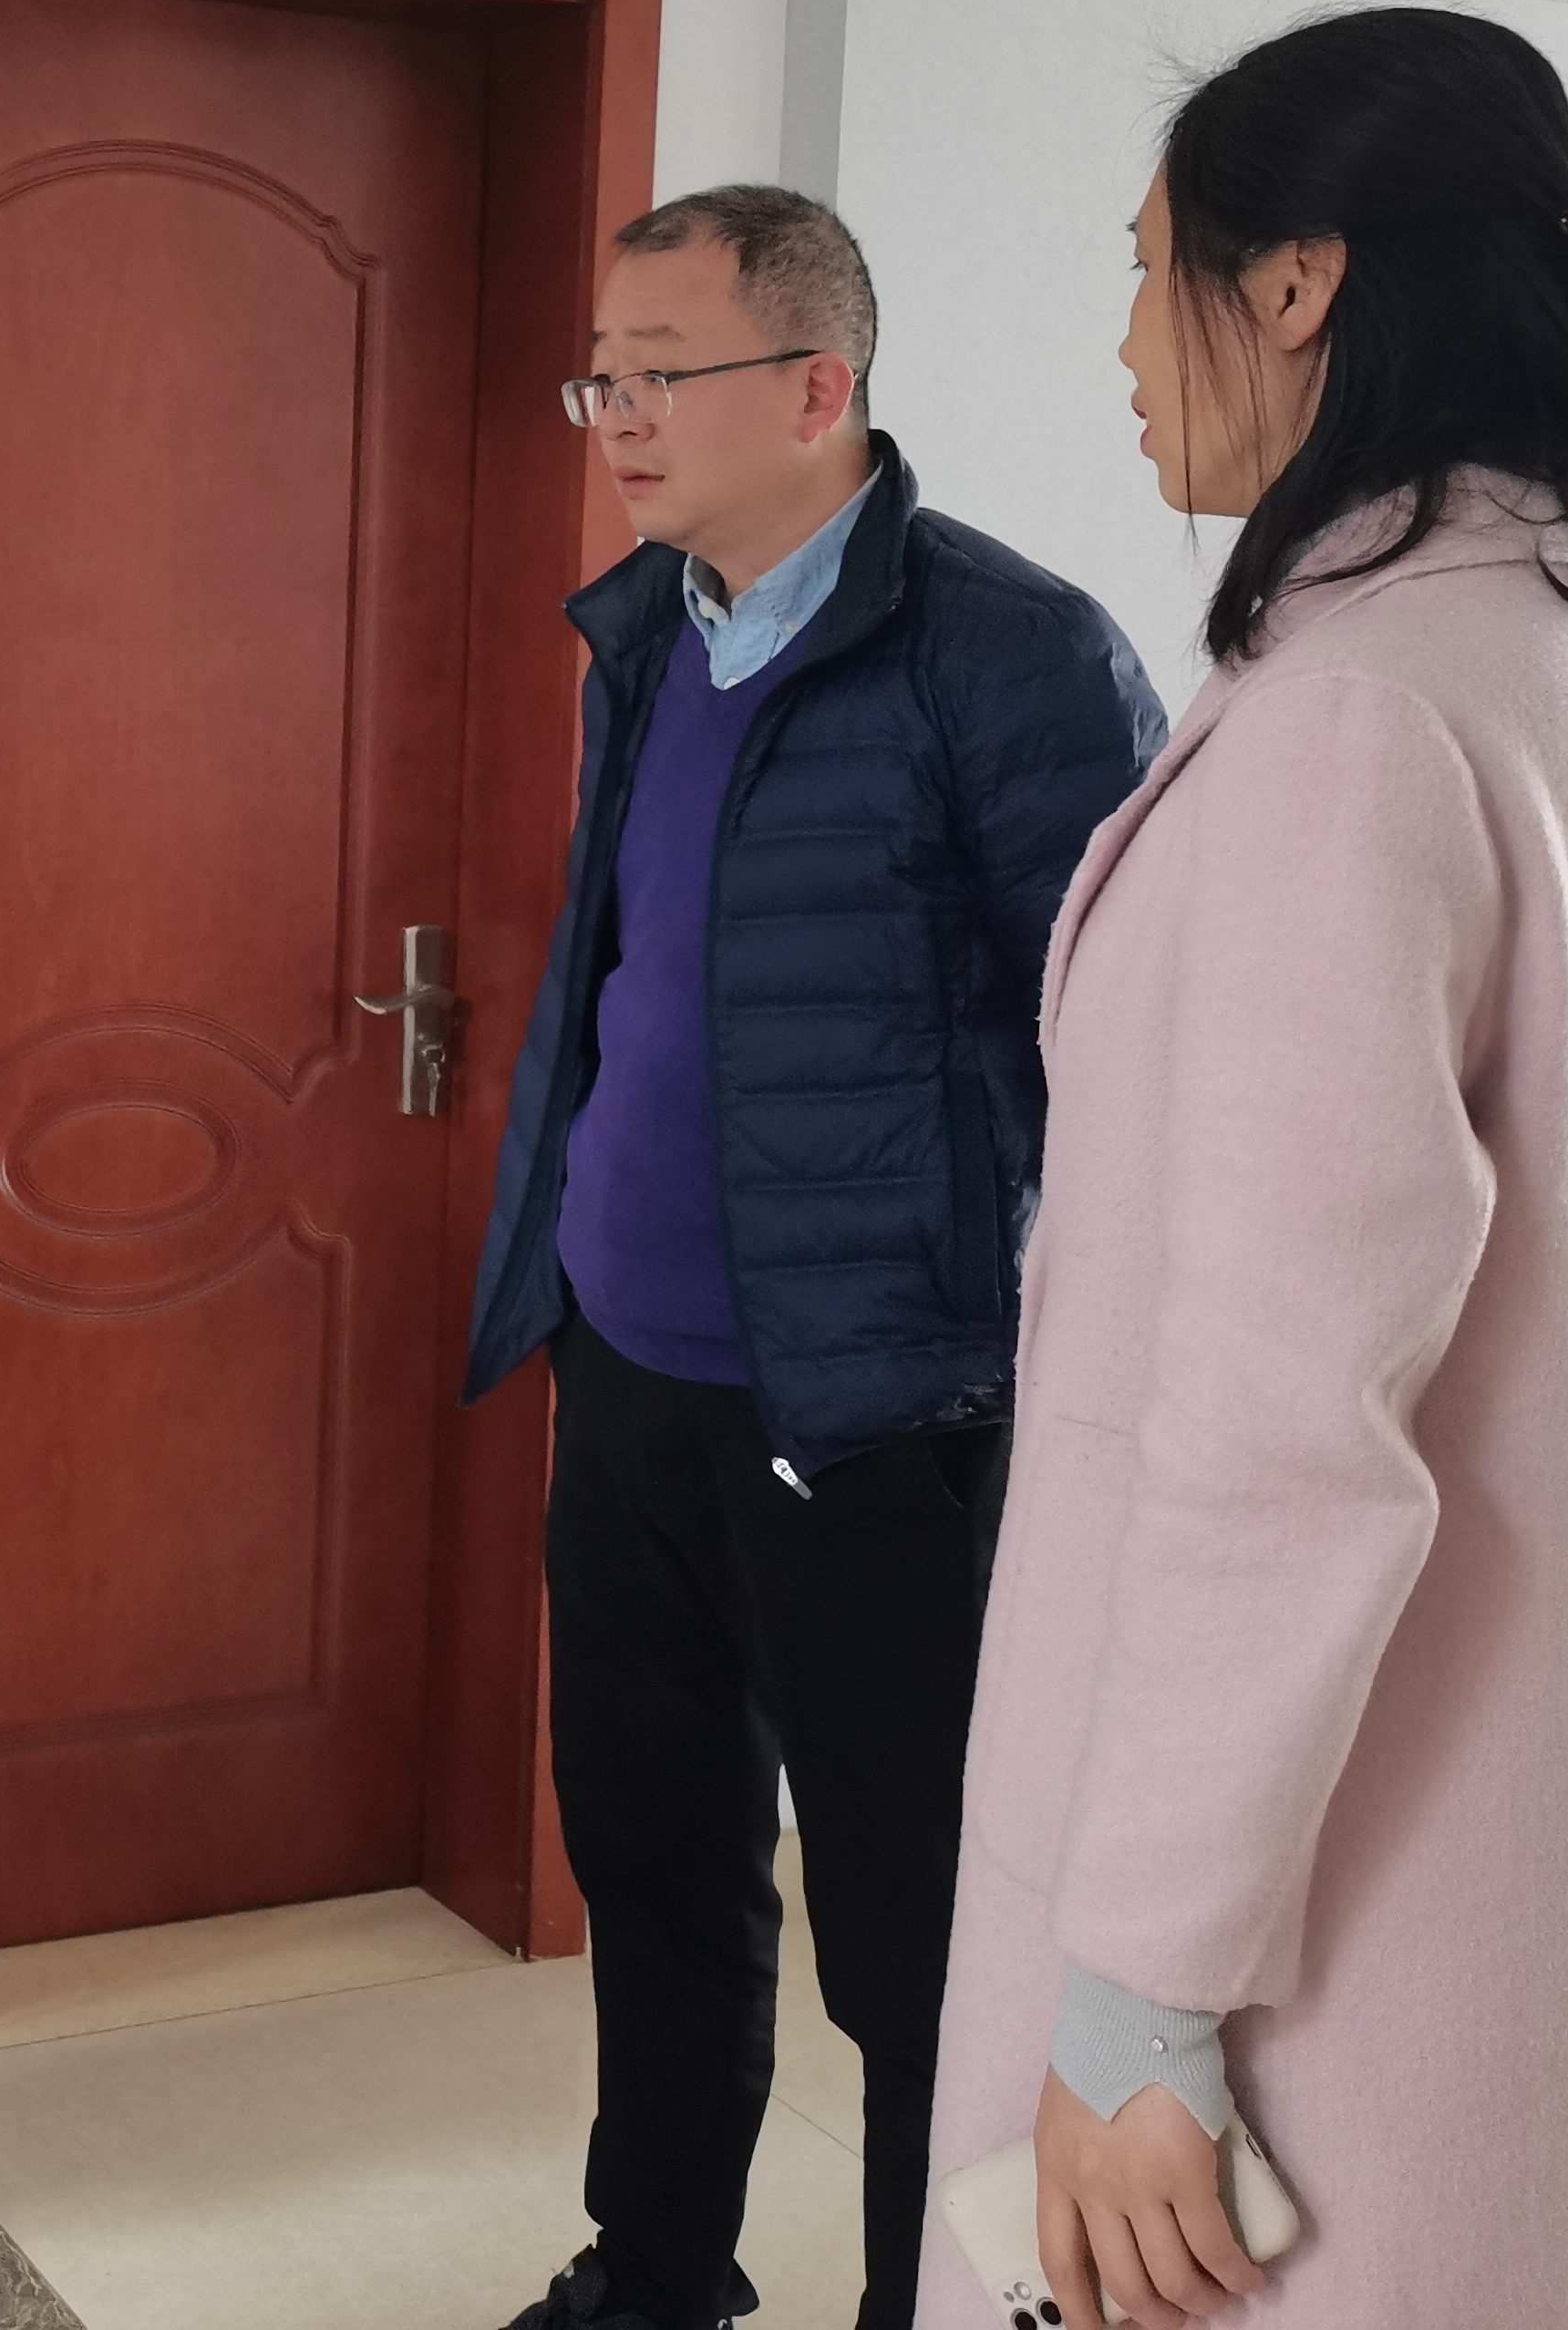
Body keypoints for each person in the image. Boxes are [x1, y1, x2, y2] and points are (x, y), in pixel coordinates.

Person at [924, 8, 1568, 2328]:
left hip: (1309, 1925)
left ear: (1295, 284)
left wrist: (1143, 1990)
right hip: (1502, 1838)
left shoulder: (1353, 727)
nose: (1124, 343)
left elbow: (1282, 1433)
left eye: (1148, 268)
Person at [470, 188, 1166, 2330]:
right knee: (654, 1867)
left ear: (816, 387)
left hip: (877, 1418)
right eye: (601, 378)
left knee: (915, 1945)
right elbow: (631, 982)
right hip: (629, 1379)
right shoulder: (647, 634)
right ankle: (657, 2274)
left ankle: (923, 2310)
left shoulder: (1013, 653)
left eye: (658, 374)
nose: (616, 418)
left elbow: (1126, 1062)